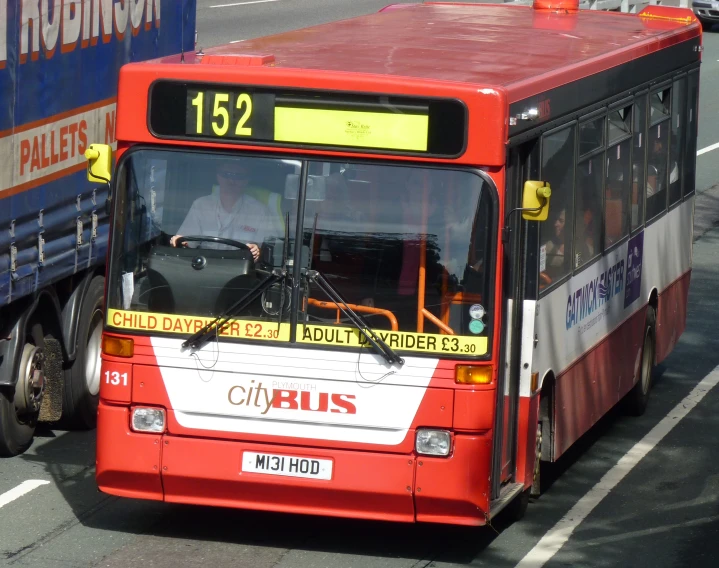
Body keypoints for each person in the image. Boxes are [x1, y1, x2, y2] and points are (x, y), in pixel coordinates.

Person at [170, 160, 284, 260]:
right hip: (204, 266)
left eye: (238, 176)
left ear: (247, 180)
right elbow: (186, 243)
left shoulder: (260, 211)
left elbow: (271, 250)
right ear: (218, 176)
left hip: (241, 272)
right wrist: (179, 241)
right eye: (226, 174)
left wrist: (258, 251)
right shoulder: (201, 205)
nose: (231, 181)